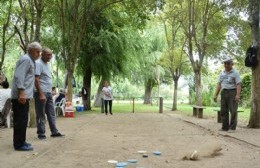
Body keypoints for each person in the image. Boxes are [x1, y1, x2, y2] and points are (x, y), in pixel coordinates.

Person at [11, 41, 42, 151]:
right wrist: (22, 92)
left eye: (40, 52)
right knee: (20, 120)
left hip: (24, 95)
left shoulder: (31, 60)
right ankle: (18, 144)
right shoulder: (26, 60)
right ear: (31, 50)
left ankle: (22, 141)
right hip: (20, 96)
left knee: (23, 119)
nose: (39, 54)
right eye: (37, 51)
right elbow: (19, 76)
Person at [34, 48, 64, 140]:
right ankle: (41, 134)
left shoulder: (46, 64)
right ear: (42, 54)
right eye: (48, 55)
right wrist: (40, 93)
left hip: (48, 93)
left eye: (51, 55)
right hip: (41, 93)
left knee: (51, 113)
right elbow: (36, 79)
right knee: (41, 114)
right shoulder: (38, 63)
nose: (50, 57)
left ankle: (54, 131)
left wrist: (50, 91)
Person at [214, 57, 241, 132]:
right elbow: (219, 84)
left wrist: (238, 95)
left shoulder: (235, 73)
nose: (226, 65)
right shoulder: (222, 73)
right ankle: (224, 127)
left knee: (233, 110)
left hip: (232, 92)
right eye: (225, 63)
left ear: (232, 64)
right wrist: (216, 95)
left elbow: (238, 84)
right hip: (224, 92)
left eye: (228, 63)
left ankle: (232, 128)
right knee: (223, 110)